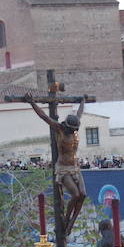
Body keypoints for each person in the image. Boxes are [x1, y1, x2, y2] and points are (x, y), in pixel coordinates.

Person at [25, 94, 87, 234]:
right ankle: (66, 219)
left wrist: (82, 101)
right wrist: (32, 102)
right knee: (76, 195)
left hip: (75, 167)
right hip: (63, 168)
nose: (73, 131)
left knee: (83, 194)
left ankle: (71, 223)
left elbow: (79, 113)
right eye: (71, 129)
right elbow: (44, 116)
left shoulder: (74, 127)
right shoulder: (59, 129)